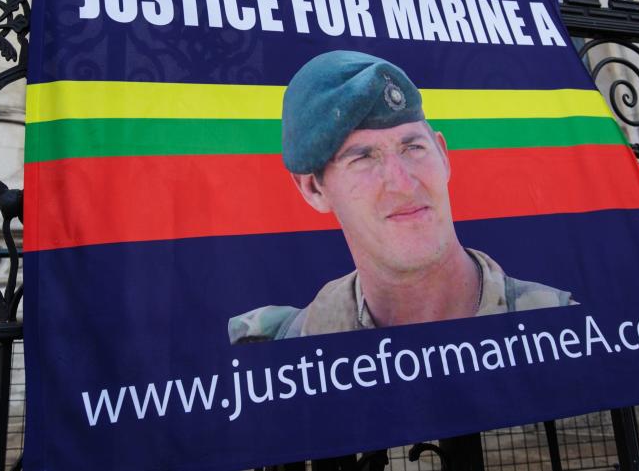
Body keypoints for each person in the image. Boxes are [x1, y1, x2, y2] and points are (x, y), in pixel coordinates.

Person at [228, 50, 573, 343]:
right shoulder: (266, 347)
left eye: (413, 147)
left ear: (443, 155)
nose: (403, 184)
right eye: (363, 157)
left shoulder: (568, 331)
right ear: (314, 189)